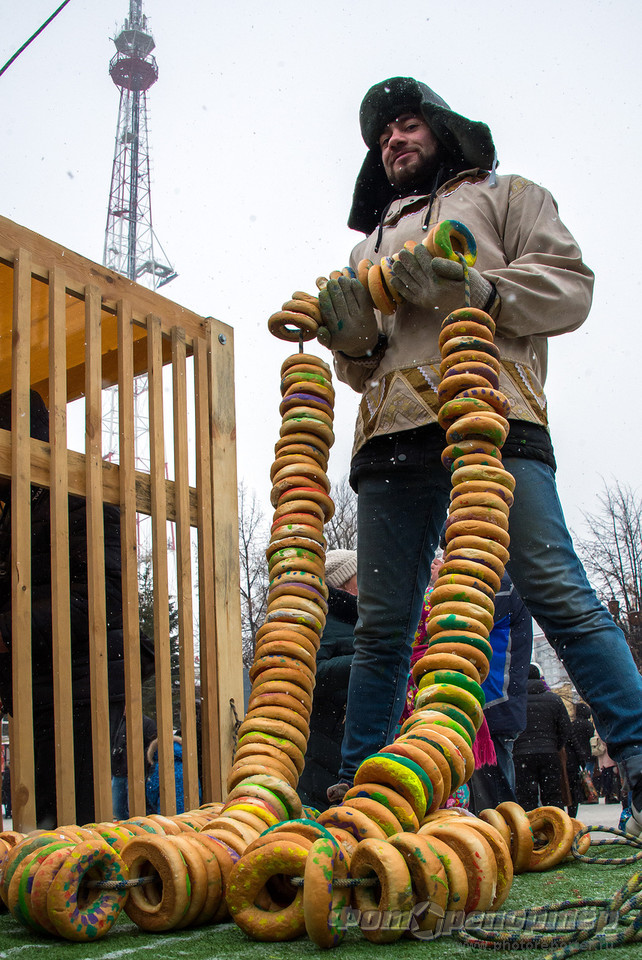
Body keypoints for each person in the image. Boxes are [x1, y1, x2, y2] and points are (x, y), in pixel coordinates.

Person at [314, 77, 642, 833]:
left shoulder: (507, 196)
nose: (393, 141)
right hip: (392, 433)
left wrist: (480, 289)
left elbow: (570, 289)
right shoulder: (367, 245)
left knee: (557, 591)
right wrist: (351, 336)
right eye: (381, 139)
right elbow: (363, 366)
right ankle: (359, 796)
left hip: (492, 411)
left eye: (404, 124)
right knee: (384, 625)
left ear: (439, 127)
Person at [0, 389, 155, 827]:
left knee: (72, 819)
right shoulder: (14, 507)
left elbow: (103, 603)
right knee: (39, 820)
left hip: (85, 681)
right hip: (33, 681)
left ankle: (83, 889)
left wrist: (10, 629)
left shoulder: (82, 498)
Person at [297, 549, 358, 811]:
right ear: (343, 581)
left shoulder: (359, 620)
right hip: (324, 740)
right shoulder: (321, 622)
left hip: (346, 739)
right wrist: (362, 662)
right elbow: (311, 674)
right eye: (360, 575)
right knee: (321, 818)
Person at [469, 573, 532, 812]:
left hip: (493, 704)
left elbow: (468, 614)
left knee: (495, 799)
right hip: (493, 704)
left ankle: (505, 839)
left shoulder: (500, 585)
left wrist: (442, 582)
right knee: (487, 794)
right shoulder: (505, 583)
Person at [512, 665, 571, 809]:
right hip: (549, 753)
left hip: (522, 755)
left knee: (526, 798)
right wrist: (555, 745)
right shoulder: (554, 699)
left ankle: (529, 828)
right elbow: (565, 727)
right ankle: (557, 827)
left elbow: (511, 726)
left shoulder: (516, 701)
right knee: (552, 796)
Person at [111, 707, 157, 819]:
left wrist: (141, 761)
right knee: (117, 809)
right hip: (119, 772)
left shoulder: (147, 723)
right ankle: (127, 828)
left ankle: (135, 828)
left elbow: (153, 747)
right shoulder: (120, 722)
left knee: (136, 809)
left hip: (136, 773)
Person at [565, 702, 596, 815]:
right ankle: (589, 795)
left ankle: (583, 796)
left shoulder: (573, 724)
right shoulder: (588, 725)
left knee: (573, 783)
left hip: (570, 757)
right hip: (586, 753)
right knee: (587, 776)